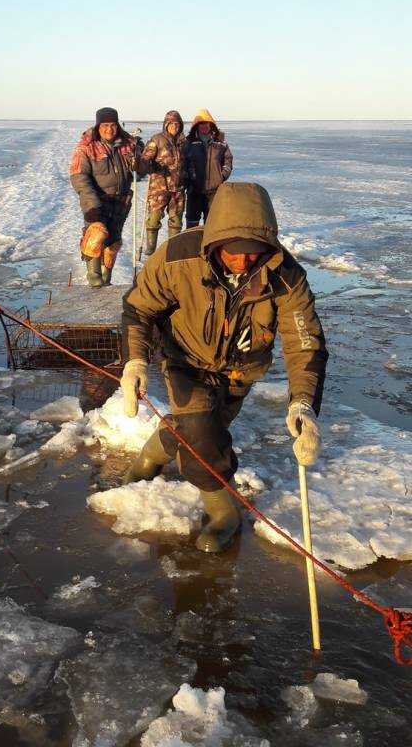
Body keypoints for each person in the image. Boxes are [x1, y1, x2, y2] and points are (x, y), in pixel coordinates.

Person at [120, 182, 328, 553]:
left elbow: (305, 342)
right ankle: (223, 513)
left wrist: (303, 404)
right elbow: (139, 308)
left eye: (254, 252)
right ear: (216, 240)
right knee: (202, 431)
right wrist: (135, 361)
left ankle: (151, 457)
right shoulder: (177, 257)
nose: (244, 260)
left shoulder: (286, 275)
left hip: (241, 371)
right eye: (235, 251)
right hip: (185, 359)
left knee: (200, 428)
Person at [70, 107, 141, 287]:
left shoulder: (127, 146)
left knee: (113, 242)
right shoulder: (86, 147)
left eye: (113, 125)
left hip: (121, 201)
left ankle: (106, 279)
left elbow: (138, 171)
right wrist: (92, 206)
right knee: (96, 234)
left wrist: (141, 161)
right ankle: (94, 279)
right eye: (105, 125)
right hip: (97, 200)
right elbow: (79, 177)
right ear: (98, 125)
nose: (109, 129)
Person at [138, 110, 189, 255]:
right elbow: (145, 159)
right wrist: (146, 165)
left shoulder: (183, 142)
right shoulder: (157, 140)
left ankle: (172, 250)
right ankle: (151, 248)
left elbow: (187, 163)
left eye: (178, 124)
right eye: (172, 124)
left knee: (176, 220)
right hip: (159, 188)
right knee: (154, 219)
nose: (175, 127)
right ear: (166, 125)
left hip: (178, 188)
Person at [185, 109, 233, 229]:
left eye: (207, 123)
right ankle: (193, 248)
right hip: (194, 191)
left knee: (212, 226)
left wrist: (222, 176)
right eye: (201, 124)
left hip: (214, 191)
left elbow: (228, 160)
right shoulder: (189, 142)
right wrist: (190, 177)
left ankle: (209, 248)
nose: (204, 126)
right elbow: (183, 162)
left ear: (211, 124)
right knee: (192, 225)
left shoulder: (220, 142)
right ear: (196, 125)